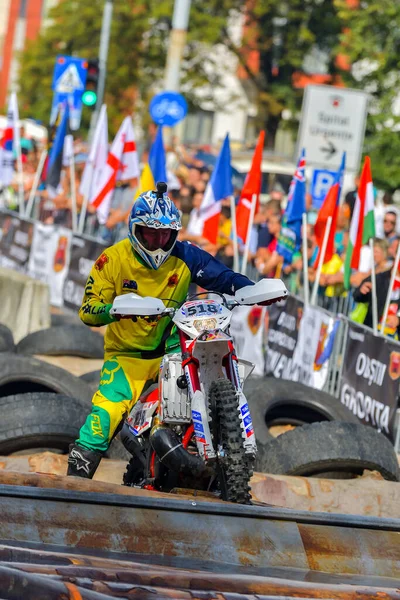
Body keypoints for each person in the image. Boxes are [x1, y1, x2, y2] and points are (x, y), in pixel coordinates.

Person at [67, 182, 262, 479]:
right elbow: (87, 310)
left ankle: (222, 454)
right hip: (127, 355)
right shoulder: (113, 259)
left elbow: (222, 277)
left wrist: (253, 289)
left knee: (211, 377)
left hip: (174, 348)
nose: (159, 242)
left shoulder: (186, 255)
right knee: (104, 416)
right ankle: (72, 488)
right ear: (135, 230)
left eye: (165, 235)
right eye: (151, 234)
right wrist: (115, 309)